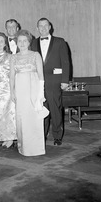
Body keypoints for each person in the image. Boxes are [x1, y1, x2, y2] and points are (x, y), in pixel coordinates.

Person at [31, 18, 70, 146]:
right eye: (40, 26)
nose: (42, 28)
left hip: (54, 81)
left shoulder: (60, 42)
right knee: (41, 109)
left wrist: (65, 80)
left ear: (50, 27)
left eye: (45, 26)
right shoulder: (33, 43)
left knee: (55, 109)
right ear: (37, 28)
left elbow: (65, 62)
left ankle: (57, 136)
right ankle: (41, 135)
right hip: (38, 82)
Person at [10, 29, 48, 156]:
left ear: (29, 42)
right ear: (16, 42)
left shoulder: (35, 55)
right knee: (22, 118)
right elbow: (11, 77)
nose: (22, 43)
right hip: (20, 91)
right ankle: (24, 148)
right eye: (19, 41)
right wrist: (12, 92)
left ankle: (36, 148)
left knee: (34, 118)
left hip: (33, 89)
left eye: (24, 40)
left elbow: (41, 75)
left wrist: (40, 94)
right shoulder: (13, 57)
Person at [0, 33, 17, 148]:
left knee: (9, 113)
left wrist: (12, 90)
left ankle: (10, 138)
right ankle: (3, 137)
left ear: (5, 43)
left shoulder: (10, 56)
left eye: (1, 41)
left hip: (6, 88)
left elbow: (13, 74)